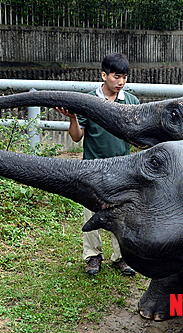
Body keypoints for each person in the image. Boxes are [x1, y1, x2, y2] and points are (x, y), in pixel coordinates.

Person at [55, 52, 138, 276]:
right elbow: (76, 137)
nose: (121, 82)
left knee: (121, 212)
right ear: (104, 75)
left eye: (125, 77)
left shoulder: (131, 102)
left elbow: (134, 135)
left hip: (122, 167)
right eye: (116, 76)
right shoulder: (88, 102)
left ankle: (122, 256)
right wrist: (73, 118)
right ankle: (92, 256)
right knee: (91, 212)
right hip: (93, 167)